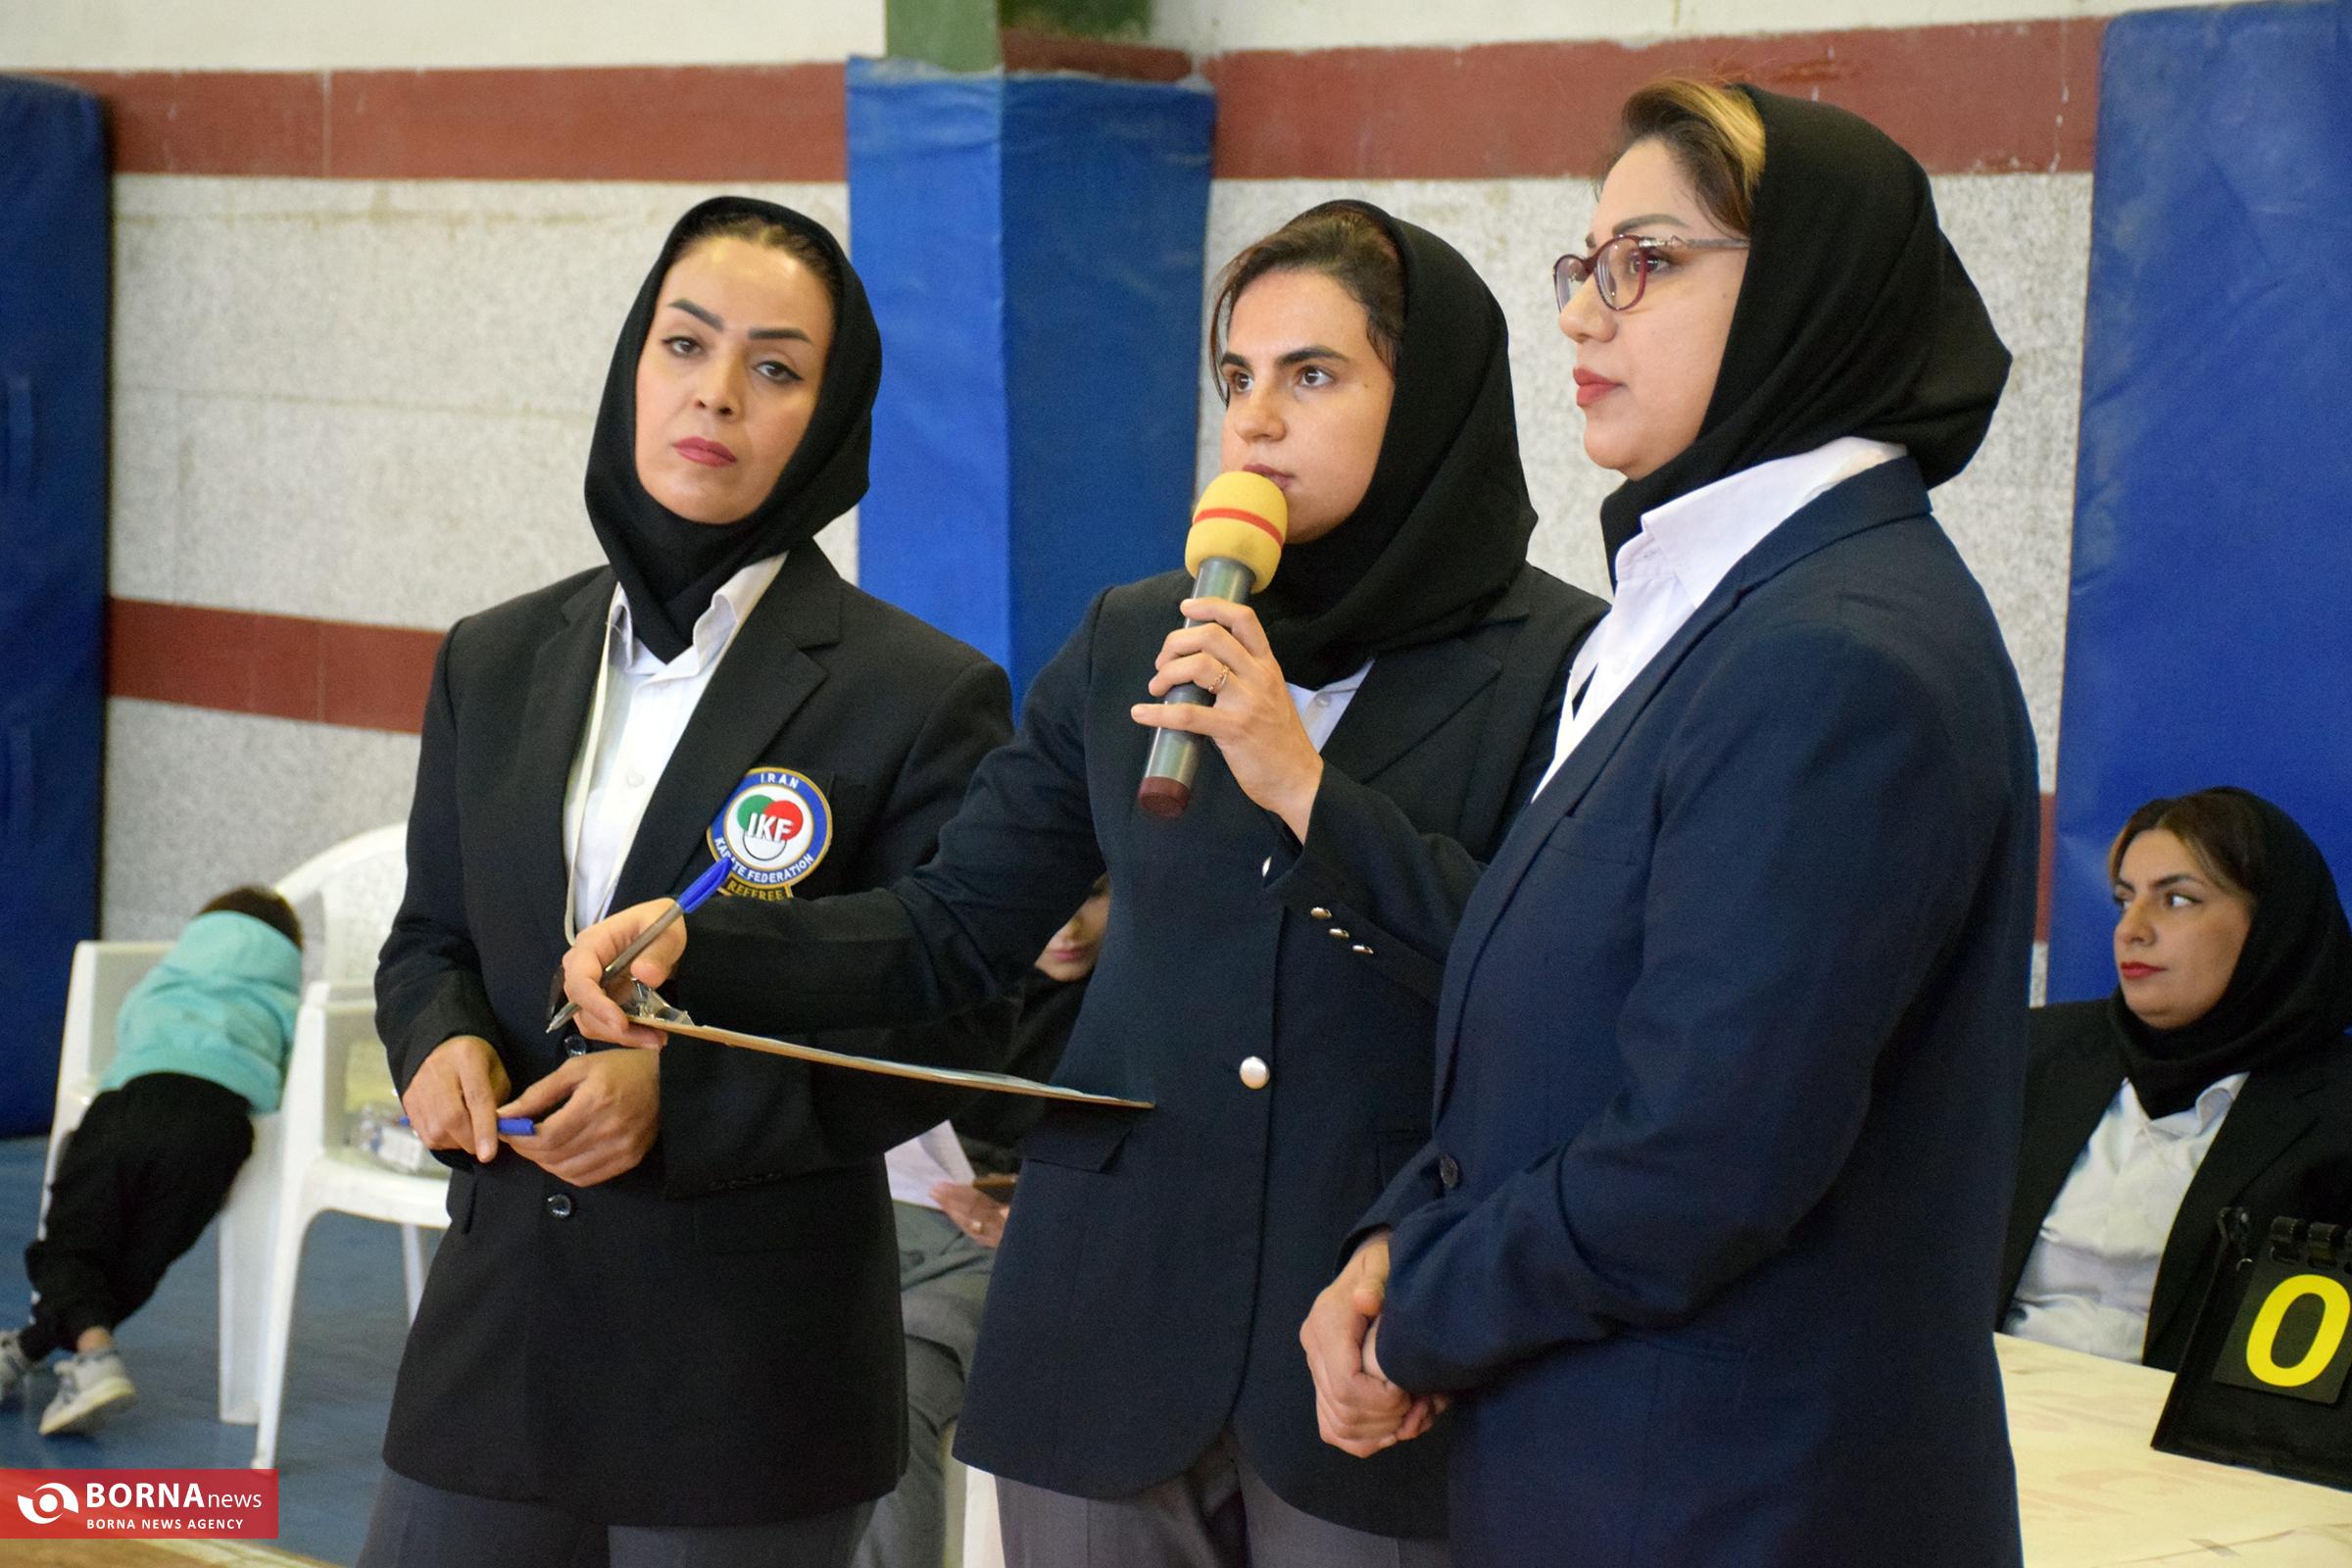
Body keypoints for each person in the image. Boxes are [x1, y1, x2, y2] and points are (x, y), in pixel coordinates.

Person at [564, 201, 1606, 1566]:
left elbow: (1541, 982)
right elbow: (952, 928)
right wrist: (707, 948)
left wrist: (1305, 789)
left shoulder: (1562, 661)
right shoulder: (1138, 634)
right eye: (1236, 377)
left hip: (1373, 1343)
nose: (1256, 422)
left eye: (1312, 376)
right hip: (1107, 1327)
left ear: (1430, 402)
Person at [1300, 79, 2035, 1566]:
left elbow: (1709, 1156)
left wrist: (1423, 1306)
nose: (1583, 314)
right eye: (1584, 265)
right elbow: (1560, 1032)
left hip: (1733, 1502)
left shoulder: (1834, 654)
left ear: (1808, 291)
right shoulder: (1715, 608)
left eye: (1646, 261)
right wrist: (1402, 1236)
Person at [362, 197, 1013, 1568]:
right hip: (494, 1345)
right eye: (685, 344)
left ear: (830, 421)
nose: (716, 393)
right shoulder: (495, 657)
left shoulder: (919, 694)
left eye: (775, 367)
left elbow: (950, 1023)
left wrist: (684, 1100)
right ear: (631, 365)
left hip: (746, 1381)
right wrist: (439, 1042)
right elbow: (430, 938)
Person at [2000, 787, 2352, 1370]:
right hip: (1991, 1404)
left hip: (2196, 1425)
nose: (2132, 930)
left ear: (2272, 925)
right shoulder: (2034, 1054)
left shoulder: (2337, 1107)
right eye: (2124, 900)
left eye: (2178, 900)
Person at [856, 879, 1107, 1568]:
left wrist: (1035, 1213)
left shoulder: (1139, 1009)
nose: (1069, 926)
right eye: (1053, 894)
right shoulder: (959, 990)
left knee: (897, 1380)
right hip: (905, 1221)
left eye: (1093, 895)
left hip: (1028, 1255)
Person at [2, 886, 301, 1437]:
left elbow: (130, 1034)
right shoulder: (286, 1005)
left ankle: (92, 1356)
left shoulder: (162, 982)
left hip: (135, 1105)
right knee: (142, 1256)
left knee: (74, 1237)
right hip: (219, 1129)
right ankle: (28, 1349)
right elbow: (287, 1080)